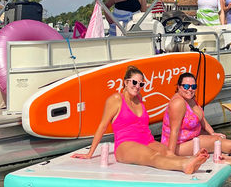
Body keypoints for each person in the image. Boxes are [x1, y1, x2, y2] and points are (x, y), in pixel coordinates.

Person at [73, 65, 210, 174]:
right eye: (134, 82)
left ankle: (191, 160)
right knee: (153, 156)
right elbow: (102, 126)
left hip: (147, 140)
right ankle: (184, 165)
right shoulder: (116, 99)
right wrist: (90, 153)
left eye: (141, 84)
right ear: (126, 82)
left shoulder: (140, 99)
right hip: (126, 144)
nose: (137, 86)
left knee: (167, 152)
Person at [161, 72, 231, 155]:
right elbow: (174, 131)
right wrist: (170, 155)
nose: (190, 89)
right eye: (186, 86)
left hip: (191, 139)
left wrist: (212, 133)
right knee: (216, 141)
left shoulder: (190, 99)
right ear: (179, 87)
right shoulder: (178, 103)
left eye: (193, 87)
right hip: (177, 146)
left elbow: (202, 119)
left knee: (219, 137)